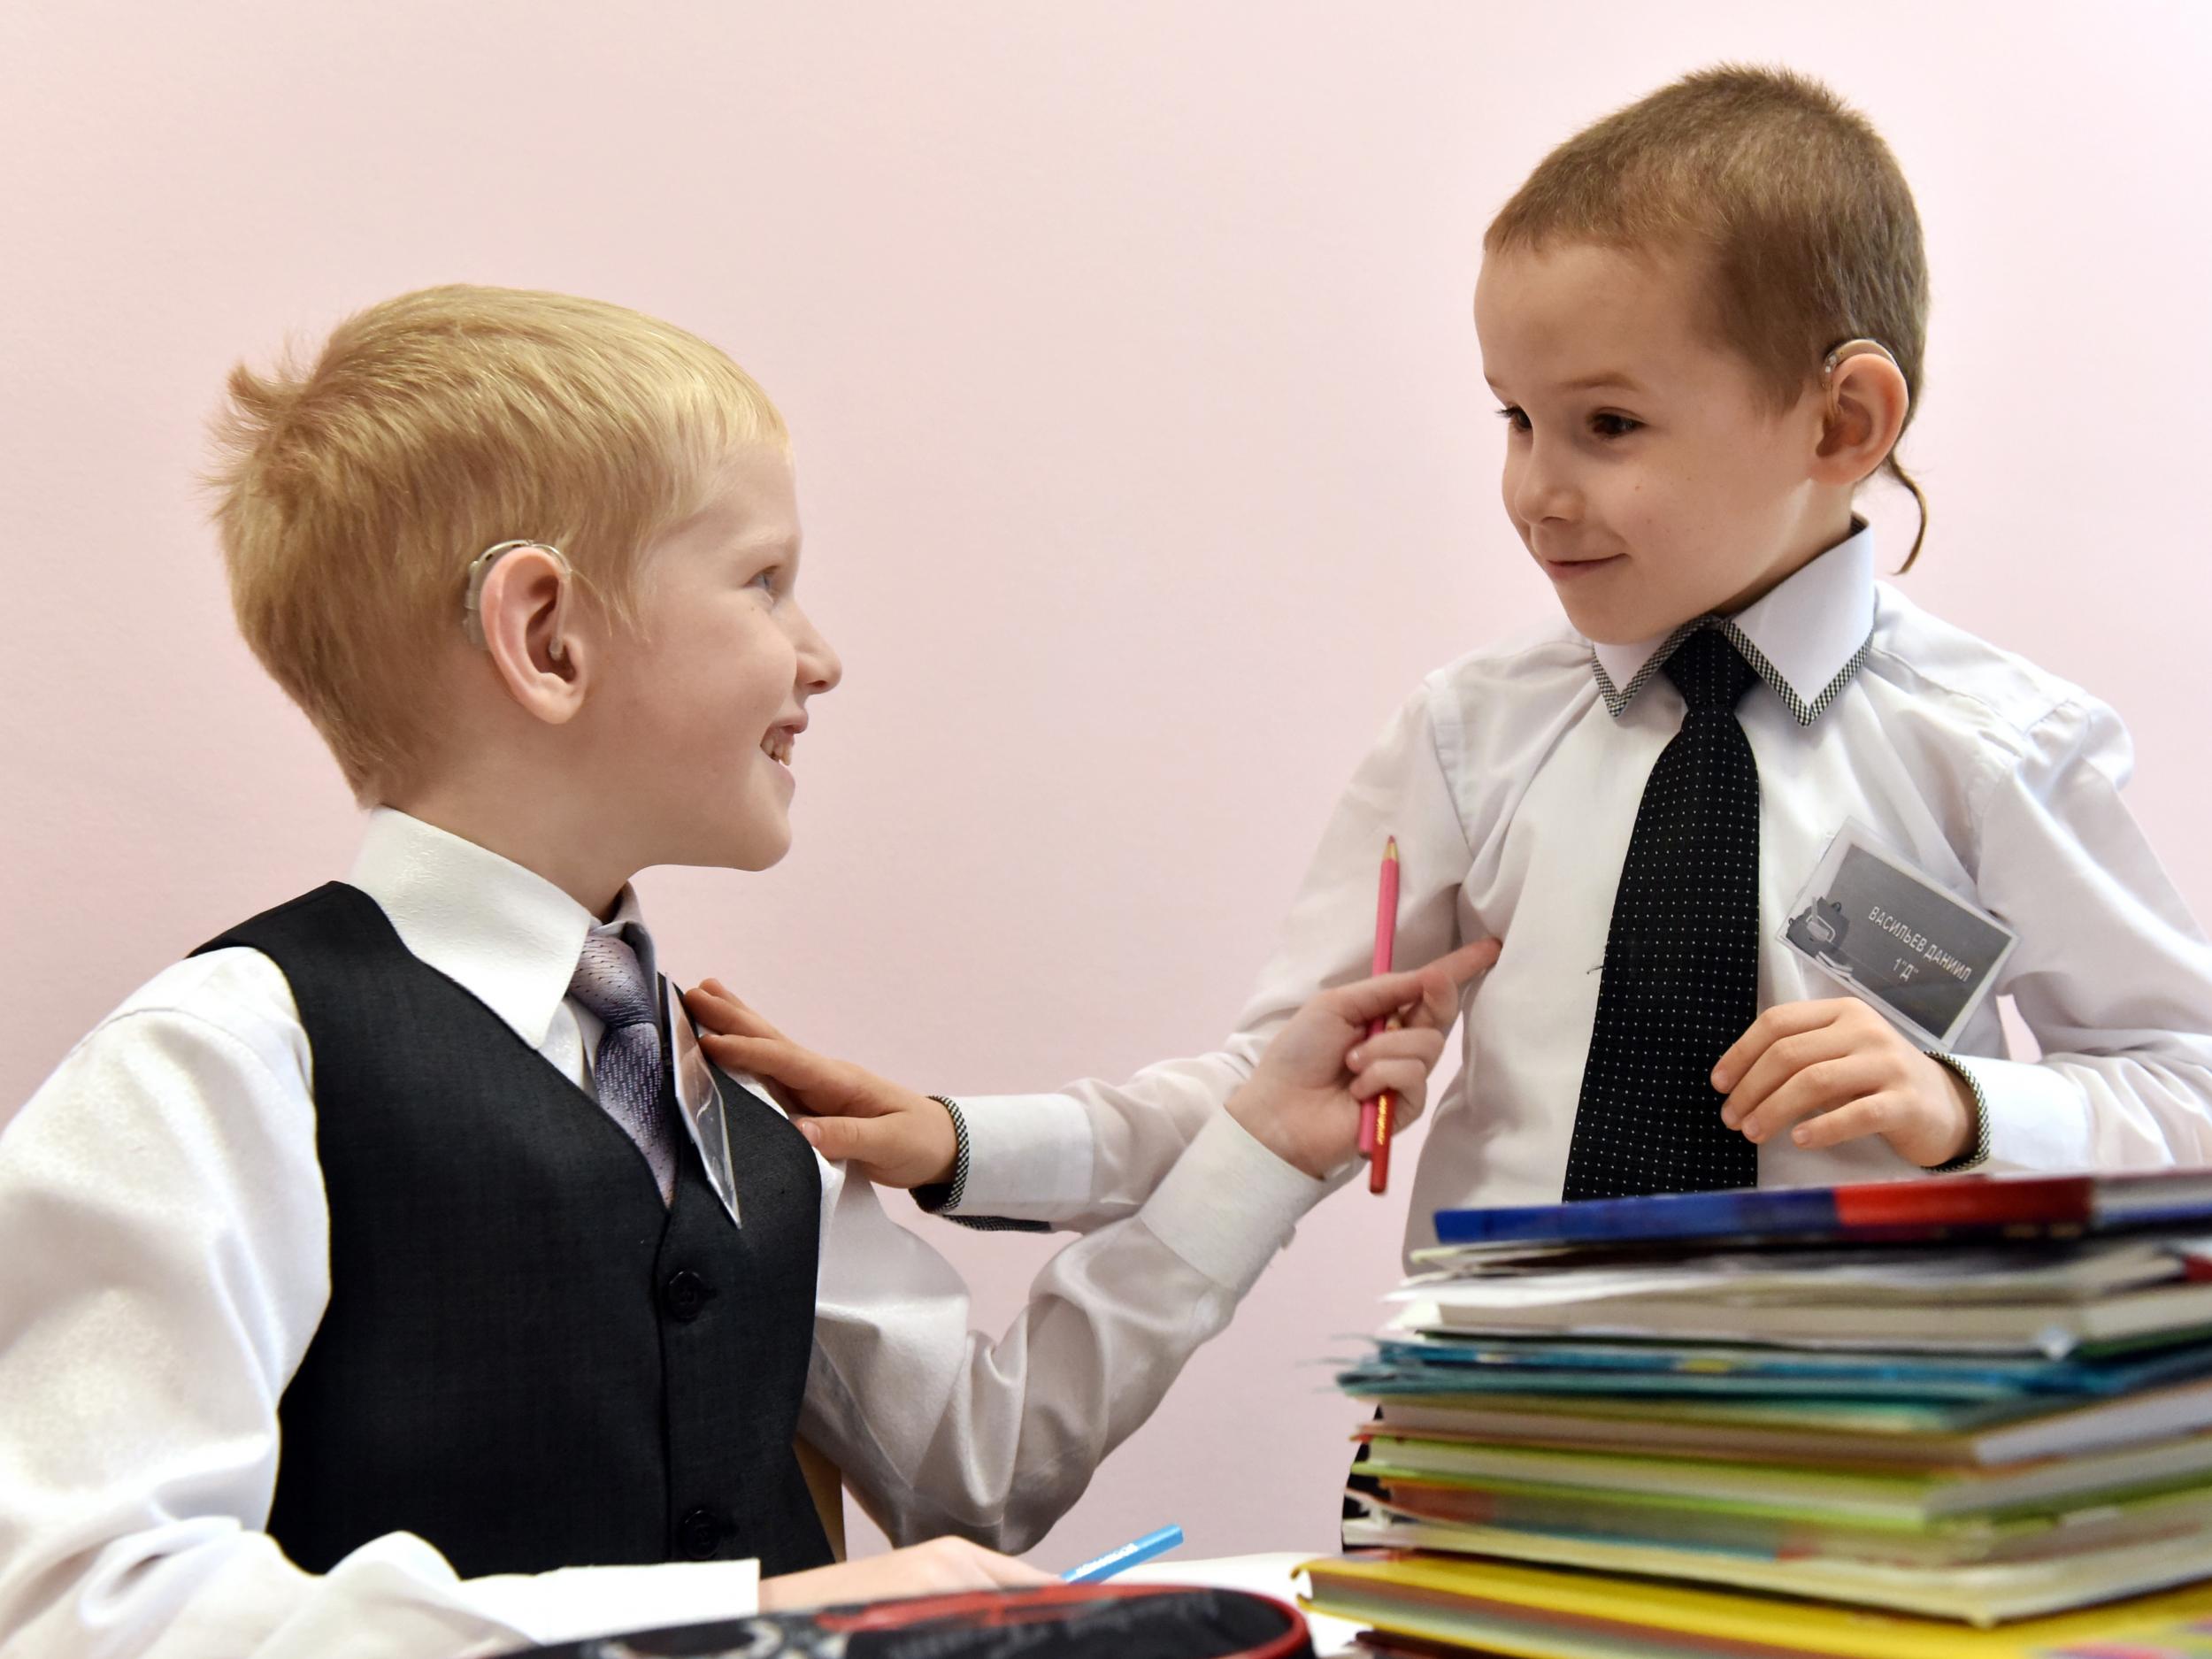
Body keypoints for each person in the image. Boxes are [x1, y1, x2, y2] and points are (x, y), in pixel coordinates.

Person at [0, 285, 1493, 1659]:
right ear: (547, 636)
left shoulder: (720, 1105)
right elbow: (76, 1604)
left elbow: (977, 1472)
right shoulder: (229, 1059)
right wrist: (744, 1622)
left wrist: (1256, 1152)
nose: (820, 655)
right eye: (765, 581)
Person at [710, 65, 2212, 1261]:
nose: (1537, 489)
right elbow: (1274, 1084)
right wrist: (963, 1140)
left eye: (1608, 425)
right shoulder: (1469, 738)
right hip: (1496, 1455)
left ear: (1841, 426)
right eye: (1514, 417)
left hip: (1866, 1497)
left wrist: (1966, 1105)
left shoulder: (1999, 746)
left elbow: (2184, 1092)